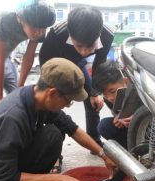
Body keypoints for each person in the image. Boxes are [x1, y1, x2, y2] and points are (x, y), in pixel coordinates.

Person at [39, 6, 114, 148]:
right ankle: (52, 146)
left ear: (98, 35)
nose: (85, 52)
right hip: (57, 63)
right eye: (79, 45)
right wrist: (54, 88)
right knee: (49, 102)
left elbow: (99, 64)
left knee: (92, 100)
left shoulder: (107, 34)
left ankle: (94, 142)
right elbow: (45, 61)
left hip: (79, 64)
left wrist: (95, 92)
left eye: (90, 46)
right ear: (69, 33)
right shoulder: (57, 32)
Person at [0, 1, 55, 110]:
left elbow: (29, 57)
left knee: (19, 98)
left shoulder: (41, 26)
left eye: (43, 28)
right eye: (34, 27)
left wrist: (20, 86)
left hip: (4, 56)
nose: (39, 33)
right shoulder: (6, 19)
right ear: (20, 19)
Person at [92, 60, 131, 149]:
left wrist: (137, 117)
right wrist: (119, 117)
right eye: (104, 94)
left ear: (126, 81)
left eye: (112, 91)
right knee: (104, 126)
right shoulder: (109, 99)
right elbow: (118, 114)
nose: (110, 98)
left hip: (151, 127)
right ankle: (132, 153)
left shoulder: (141, 87)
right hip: (131, 128)